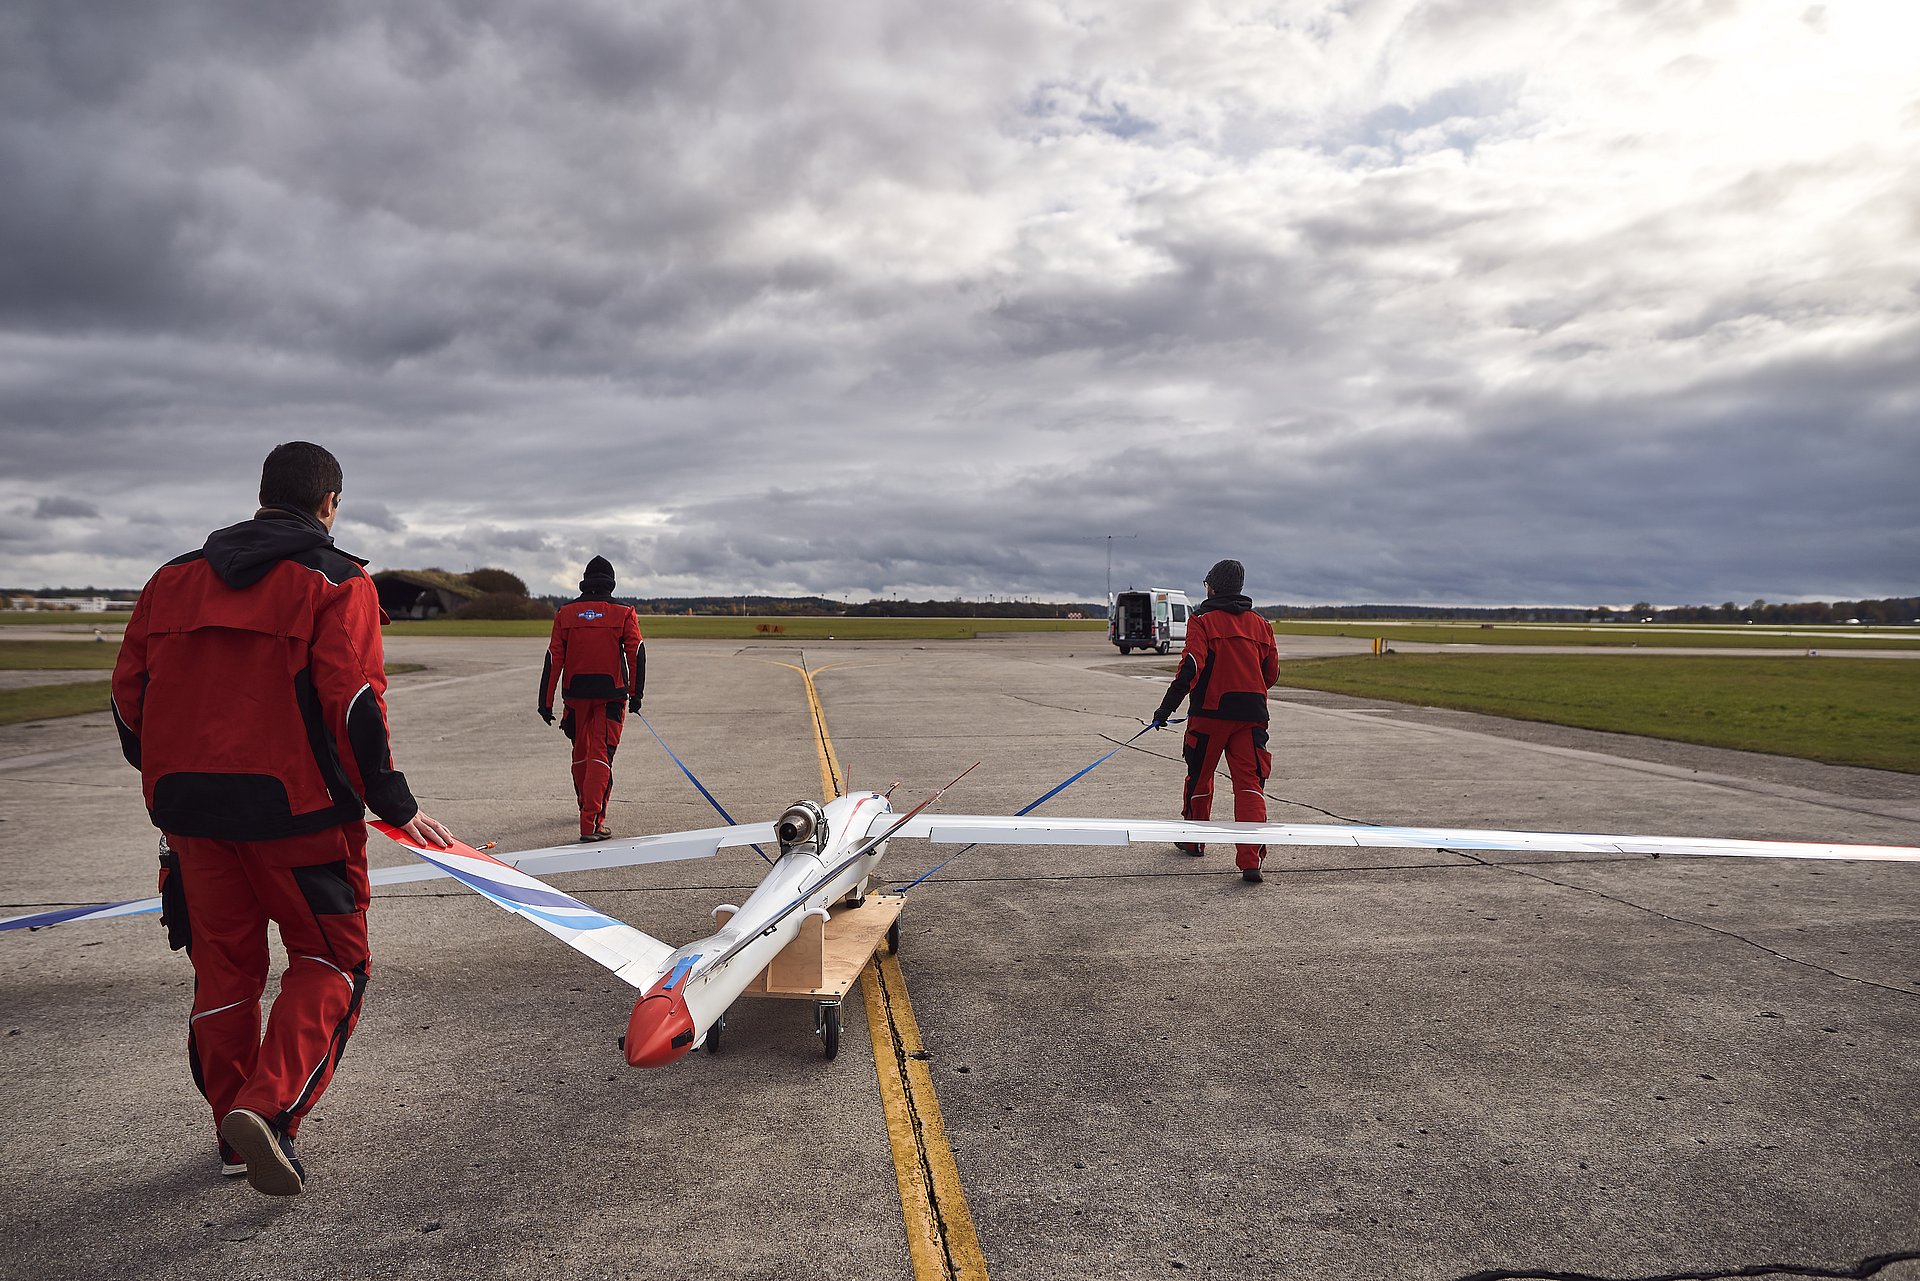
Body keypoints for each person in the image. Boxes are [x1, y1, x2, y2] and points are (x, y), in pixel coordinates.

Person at [110, 441, 452, 1197]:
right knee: (333, 963)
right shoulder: (337, 581)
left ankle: (232, 1132)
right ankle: (269, 1112)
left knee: (224, 973)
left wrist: (176, 785)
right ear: (329, 504)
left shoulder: (168, 580)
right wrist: (397, 804)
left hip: (192, 819)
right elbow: (356, 706)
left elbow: (127, 702)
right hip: (298, 819)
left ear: (262, 494)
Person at [1149, 559, 1280, 882]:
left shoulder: (1202, 620)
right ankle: (1251, 859)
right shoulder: (1261, 624)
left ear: (1212, 586)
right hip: (1251, 717)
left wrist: (1165, 709)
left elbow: (1190, 667)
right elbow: (1272, 674)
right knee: (1250, 786)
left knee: (1199, 778)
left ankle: (1194, 840)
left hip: (1209, 716)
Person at [538, 556, 644, 840]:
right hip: (611, 695)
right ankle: (591, 823)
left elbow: (553, 659)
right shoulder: (623, 612)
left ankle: (585, 806)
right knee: (601, 756)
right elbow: (636, 653)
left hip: (575, 696)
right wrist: (636, 694)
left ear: (584, 580)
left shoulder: (565, 613)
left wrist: (545, 702)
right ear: (611, 582)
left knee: (581, 753)